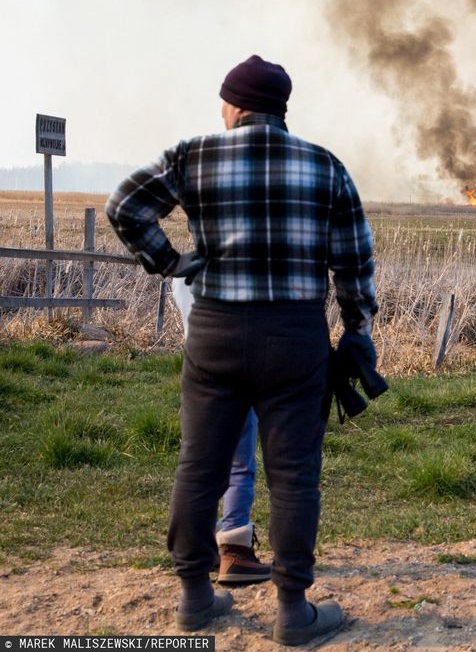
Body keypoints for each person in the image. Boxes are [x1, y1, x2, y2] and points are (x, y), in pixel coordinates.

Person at [107, 55, 377, 644]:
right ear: (281, 110)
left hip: (216, 332)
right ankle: (291, 611)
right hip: (295, 337)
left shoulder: (193, 154)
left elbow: (123, 207)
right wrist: (357, 329)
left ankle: (195, 598)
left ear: (233, 106)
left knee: (199, 467)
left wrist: (171, 262)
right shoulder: (324, 165)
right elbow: (354, 262)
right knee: (295, 476)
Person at [170, 278, 271, 587]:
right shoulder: (236, 266)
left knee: (197, 466)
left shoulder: (181, 273)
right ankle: (235, 550)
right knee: (241, 463)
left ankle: (199, 549)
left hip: (197, 367)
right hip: (236, 363)